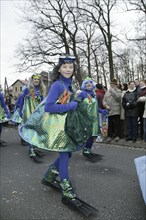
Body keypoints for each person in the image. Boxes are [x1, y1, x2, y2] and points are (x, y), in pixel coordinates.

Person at [19, 54, 98, 200]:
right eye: (64, 67)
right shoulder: (57, 85)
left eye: (70, 67)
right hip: (58, 127)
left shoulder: (70, 84)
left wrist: (80, 97)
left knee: (67, 153)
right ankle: (65, 187)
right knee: (64, 153)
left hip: (67, 126)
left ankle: (49, 176)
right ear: (59, 69)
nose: (68, 69)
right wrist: (70, 105)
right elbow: (49, 107)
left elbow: (72, 99)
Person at [19, 74, 46, 162]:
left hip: (38, 113)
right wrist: (20, 112)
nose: (36, 81)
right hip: (29, 113)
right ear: (32, 80)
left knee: (37, 131)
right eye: (35, 79)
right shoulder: (27, 89)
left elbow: (42, 103)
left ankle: (34, 148)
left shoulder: (41, 90)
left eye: (38, 79)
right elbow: (22, 100)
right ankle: (31, 151)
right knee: (31, 132)